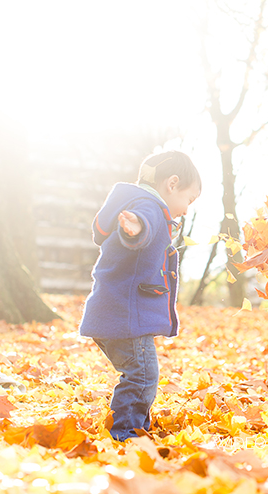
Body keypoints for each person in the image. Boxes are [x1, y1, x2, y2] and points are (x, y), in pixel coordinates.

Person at [79, 150, 201, 441]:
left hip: (114, 312)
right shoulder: (147, 207)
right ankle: (125, 434)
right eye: (189, 200)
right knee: (142, 376)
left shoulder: (144, 206)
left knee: (139, 375)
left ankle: (135, 427)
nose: (186, 209)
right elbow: (141, 227)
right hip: (125, 316)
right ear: (172, 184)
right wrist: (136, 227)